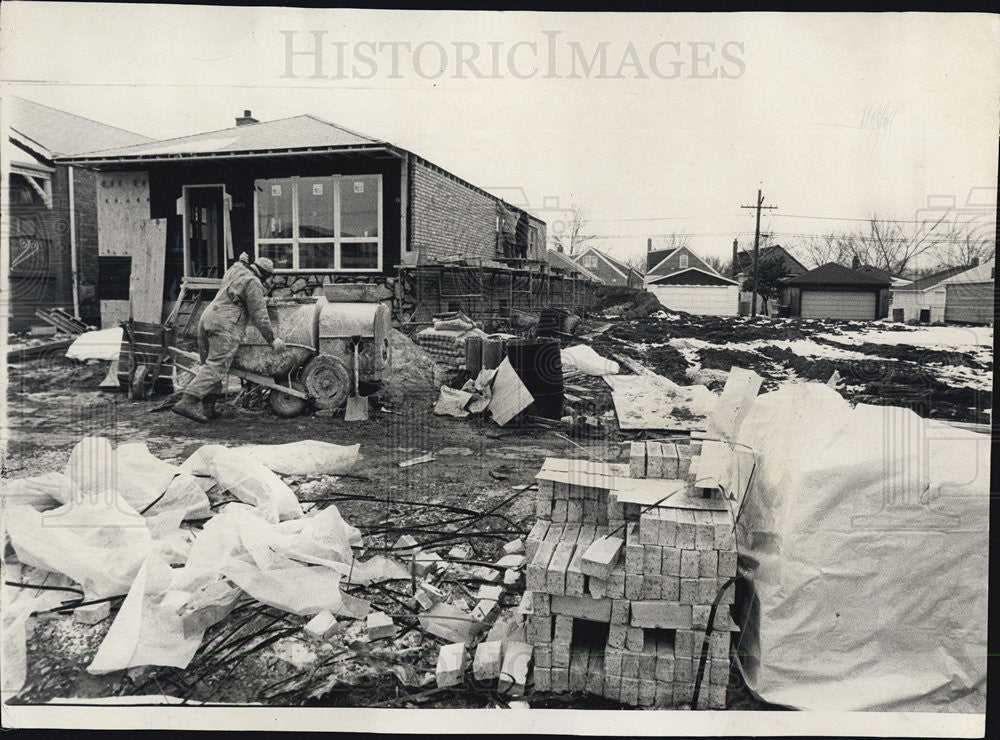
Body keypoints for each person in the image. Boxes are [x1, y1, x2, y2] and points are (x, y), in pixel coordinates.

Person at [173, 256, 286, 423]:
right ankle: (187, 402)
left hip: (207, 318)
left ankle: (208, 409)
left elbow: (236, 265)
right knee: (217, 365)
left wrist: (240, 260)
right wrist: (272, 339)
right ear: (265, 274)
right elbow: (259, 315)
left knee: (209, 365)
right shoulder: (253, 282)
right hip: (225, 323)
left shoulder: (236, 271)